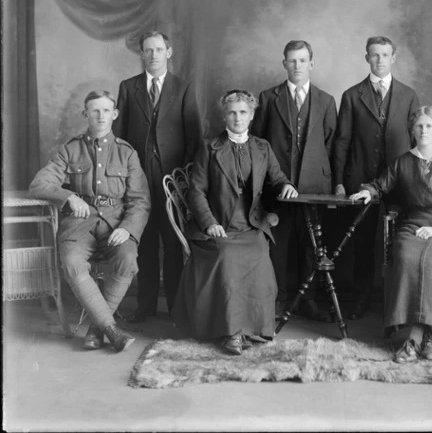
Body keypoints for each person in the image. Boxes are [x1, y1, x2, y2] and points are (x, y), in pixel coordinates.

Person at [172, 90, 297, 355]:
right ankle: (232, 332)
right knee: (226, 256)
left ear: (251, 115)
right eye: (232, 112)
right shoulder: (209, 147)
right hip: (220, 223)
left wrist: (287, 185)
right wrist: (208, 223)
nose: (237, 117)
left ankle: (254, 328)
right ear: (224, 115)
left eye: (242, 112)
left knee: (260, 255)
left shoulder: (262, 147)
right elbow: (196, 190)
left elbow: (276, 178)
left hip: (250, 223)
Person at [350, 106, 432, 363]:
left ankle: (416, 339)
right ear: (412, 130)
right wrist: (368, 192)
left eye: (429, 126)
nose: (424, 131)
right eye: (419, 126)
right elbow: (380, 185)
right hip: (415, 225)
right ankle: (427, 339)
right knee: (408, 257)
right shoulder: (404, 162)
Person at [29, 90, 150, 352]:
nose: (100, 116)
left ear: (114, 114)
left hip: (116, 224)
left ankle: (97, 327)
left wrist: (128, 230)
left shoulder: (127, 153)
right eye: (94, 110)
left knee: (127, 260)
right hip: (78, 226)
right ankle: (111, 329)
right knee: (72, 263)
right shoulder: (70, 149)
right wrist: (70, 196)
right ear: (85, 114)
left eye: (106, 110)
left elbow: (141, 201)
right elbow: (39, 184)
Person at [113, 30, 201, 323]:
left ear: (169, 52)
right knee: (145, 242)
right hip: (138, 179)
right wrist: (126, 177)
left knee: (173, 244)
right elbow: (120, 139)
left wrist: (184, 184)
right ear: (141, 54)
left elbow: (194, 139)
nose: (153, 55)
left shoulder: (183, 88)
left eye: (158, 50)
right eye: (148, 50)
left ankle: (176, 307)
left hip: (171, 181)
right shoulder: (128, 88)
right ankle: (145, 306)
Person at [333, 36, 420, 320]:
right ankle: (360, 300)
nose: (380, 60)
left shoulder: (408, 95)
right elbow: (342, 142)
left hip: (399, 181)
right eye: (374, 55)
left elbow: (417, 143)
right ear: (367, 58)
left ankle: (398, 302)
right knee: (361, 241)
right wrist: (339, 181)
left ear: (393, 58)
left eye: (385, 55)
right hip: (360, 179)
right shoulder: (351, 95)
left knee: (402, 239)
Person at [251, 40, 337, 322]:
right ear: (284, 64)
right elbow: (259, 142)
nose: (297, 65)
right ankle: (278, 298)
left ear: (311, 63)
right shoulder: (268, 98)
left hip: (314, 186)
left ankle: (308, 300)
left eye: (302, 60)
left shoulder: (326, 100)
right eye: (292, 60)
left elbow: (329, 142)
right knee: (279, 243)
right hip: (278, 186)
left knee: (311, 245)